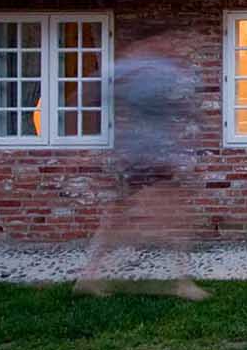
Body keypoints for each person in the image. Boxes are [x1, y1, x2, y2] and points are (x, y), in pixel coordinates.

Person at [75, 45, 207, 299]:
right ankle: (183, 283)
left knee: (119, 217)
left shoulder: (139, 70)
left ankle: (89, 276)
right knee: (175, 217)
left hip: (141, 156)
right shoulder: (145, 69)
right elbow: (87, 92)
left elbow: (176, 107)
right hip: (147, 156)